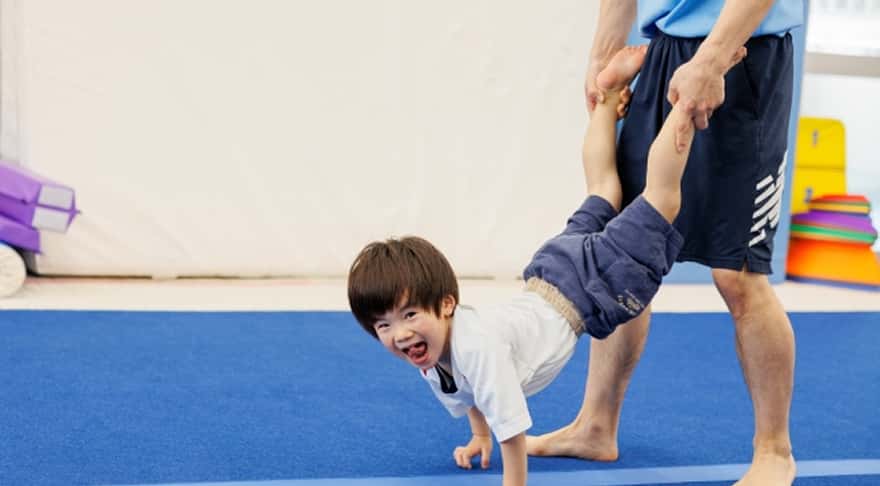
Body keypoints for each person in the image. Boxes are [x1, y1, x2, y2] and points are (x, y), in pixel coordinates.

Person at [348, 45, 742, 486]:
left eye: (408, 315)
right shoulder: (429, 352)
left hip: (585, 288)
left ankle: (685, 104)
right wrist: (479, 437)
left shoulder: (475, 348)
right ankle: (608, 97)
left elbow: (513, 432)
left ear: (446, 305)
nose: (399, 333)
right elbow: (468, 394)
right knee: (604, 189)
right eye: (382, 326)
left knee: (660, 200)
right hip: (550, 270)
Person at [525, 2, 802, 486]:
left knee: (737, 273)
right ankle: (595, 426)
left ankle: (774, 452)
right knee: (621, 252)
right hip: (664, 53)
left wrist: (713, 60)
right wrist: (602, 56)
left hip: (742, 51)